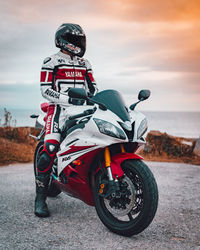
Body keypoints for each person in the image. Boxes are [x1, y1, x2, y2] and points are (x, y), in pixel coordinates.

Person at [35, 23, 98, 217]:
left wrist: (94, 99)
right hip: (58, 109)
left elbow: (94, 88)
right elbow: (45, 90)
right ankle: (40, 198)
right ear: (64, 41)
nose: (80, 44)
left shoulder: (85, 63)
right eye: (76, 40)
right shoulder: (51, 61)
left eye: (81, 40)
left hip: (83, 108)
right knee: (51, 148)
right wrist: (68, 99)